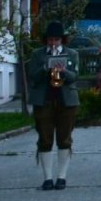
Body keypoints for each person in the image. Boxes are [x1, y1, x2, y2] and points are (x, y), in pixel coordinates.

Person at [26, 21, 80, 190]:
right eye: (51, 39)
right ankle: (47, 177)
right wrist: (45, 67)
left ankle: (61, 176)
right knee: (45, 138)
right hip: (44, 100)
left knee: (64, 138)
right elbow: (32, 75)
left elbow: (74, 76)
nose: (53, 43)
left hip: (66, 101)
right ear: (46, 40)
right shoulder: (37, 54)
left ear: (62, 40)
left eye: (57, 40)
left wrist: (62, 71)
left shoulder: (71, 54)